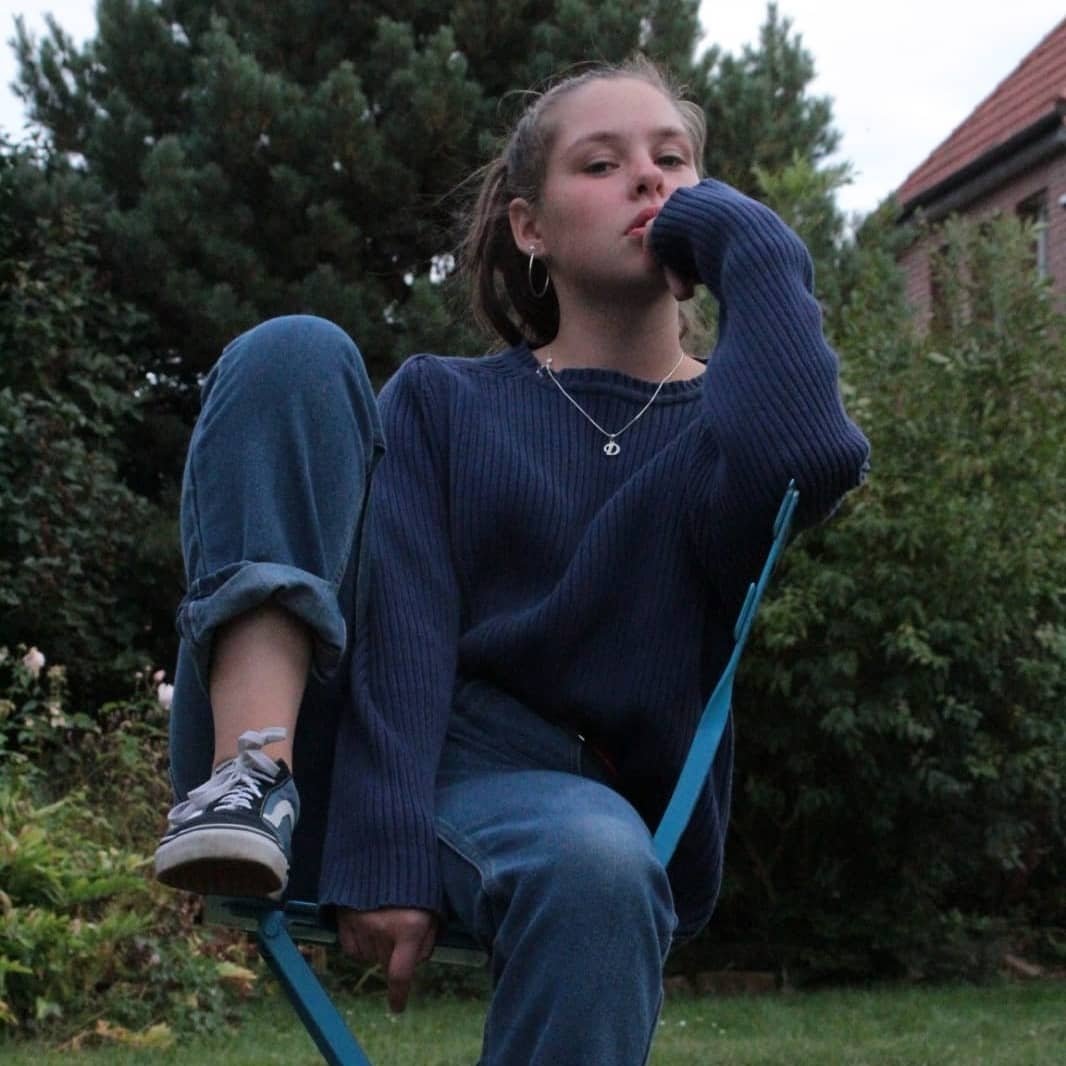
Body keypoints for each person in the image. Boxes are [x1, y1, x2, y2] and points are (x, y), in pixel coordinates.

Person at [154, 57, 869, 1064]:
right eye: (601, 163)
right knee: (296, 351)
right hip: (336, 758)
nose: (647, 178)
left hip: (560, 806)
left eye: (674, 162)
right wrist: (390, 849)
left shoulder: (723, 437)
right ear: (530, 228)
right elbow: (404, 627)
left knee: (598, 862)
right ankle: (245, 775)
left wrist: (747, 240)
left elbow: (811, 459)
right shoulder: (443, 401)